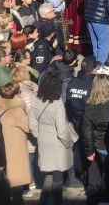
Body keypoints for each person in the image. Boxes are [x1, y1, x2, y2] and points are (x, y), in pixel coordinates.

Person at [30, 66, 77, 205]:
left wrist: (39, 135)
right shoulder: (58, 104)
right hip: (57, 143)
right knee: (58, 178)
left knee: (50, 174)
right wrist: (68, 143)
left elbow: (32, 124)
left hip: (43, 141)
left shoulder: (36, 100)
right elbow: (62, 130)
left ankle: (43, 202)